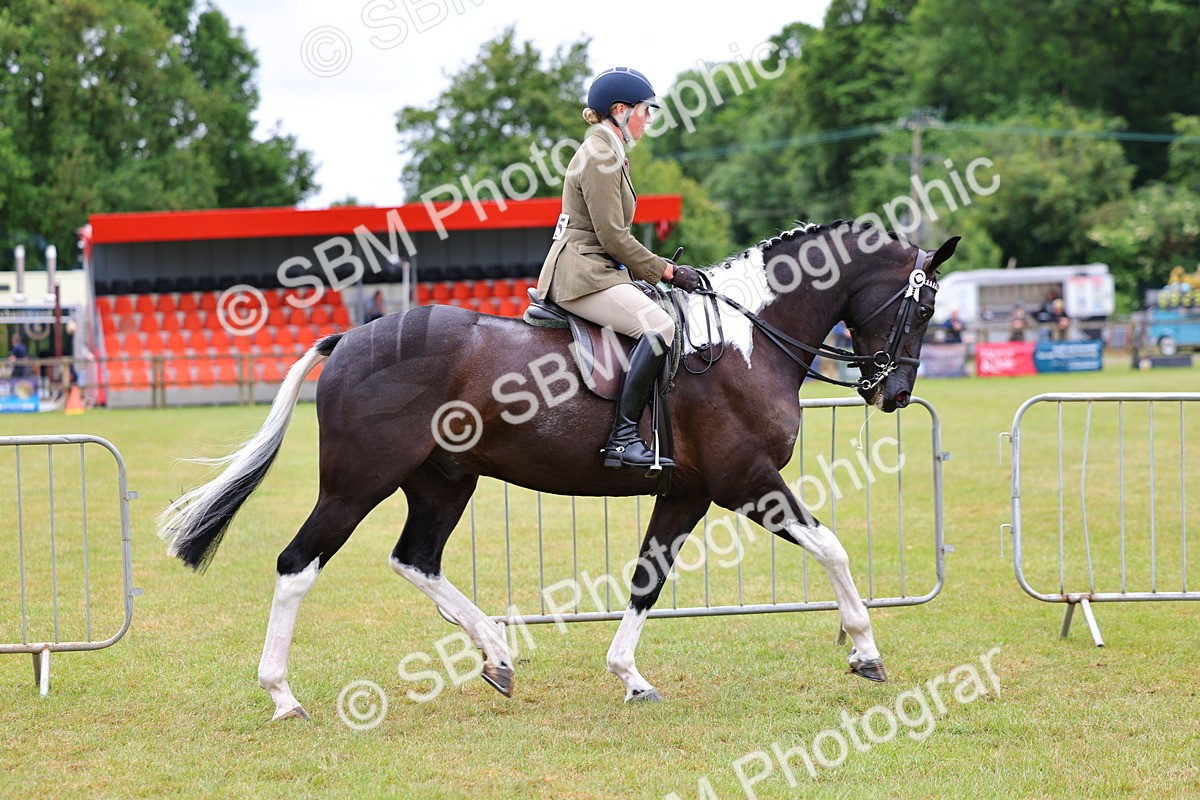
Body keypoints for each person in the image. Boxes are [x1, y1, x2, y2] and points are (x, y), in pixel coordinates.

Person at [535, 67, 700, 470]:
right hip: (582, 273)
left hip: (598, 269)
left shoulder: (610, 151)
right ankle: (622, 438)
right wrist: (666, 271)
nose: (650, 118)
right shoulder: (601, 155)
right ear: (620, 110)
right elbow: (612, 237)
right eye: (646, 110)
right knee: (659, 326)